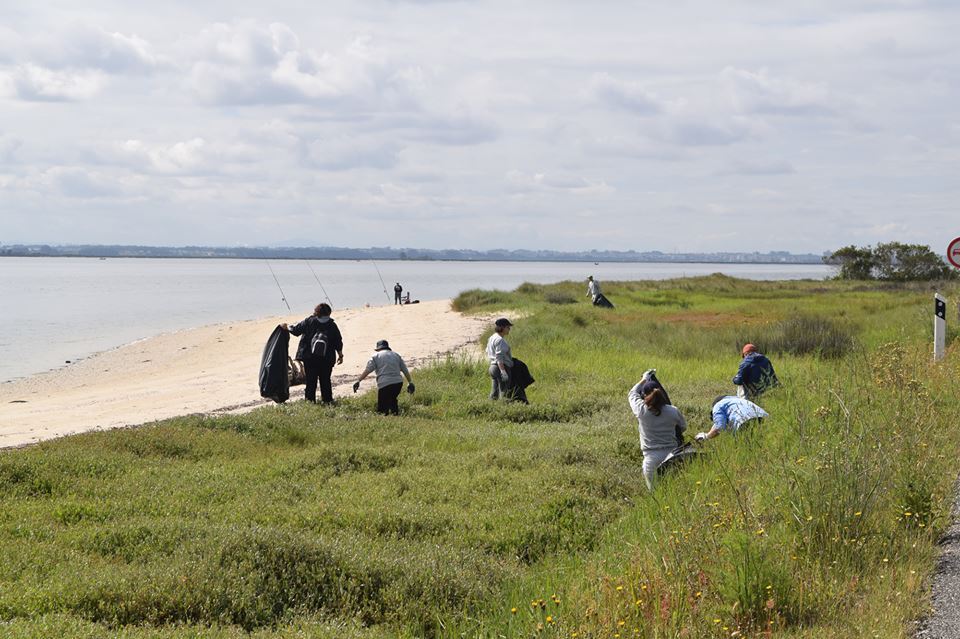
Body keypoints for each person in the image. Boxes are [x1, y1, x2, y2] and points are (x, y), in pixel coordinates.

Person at [628, 378, 687, 490]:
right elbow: (683, 427)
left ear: (644, 395)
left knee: (655, 493)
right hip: (672, 455)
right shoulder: (673, 410)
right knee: (675, 490)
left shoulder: (641, 410)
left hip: (651, 458)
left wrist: (643, 379)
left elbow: (632, 394)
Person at [282, 303, 343, 404]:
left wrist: (287, 327)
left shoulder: (309, 321)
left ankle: (310, 402)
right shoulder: (332, 325)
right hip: (327, 358)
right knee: (325, 381)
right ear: (329, 313)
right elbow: (338, 341)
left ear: (317, 312)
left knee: (311, 382)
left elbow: (296, 330)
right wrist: (340, 355)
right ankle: (327, 401)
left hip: (310, 358)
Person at [353, 340, 414, 415]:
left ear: (378, 349)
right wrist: (410, 382)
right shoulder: (396, 355)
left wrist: (358, 380)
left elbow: (368, 370)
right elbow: (405, 370)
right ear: (387, 348)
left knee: (382, 408)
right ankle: (395, 415)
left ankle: (385, 416)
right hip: (398, 383)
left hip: (384, 384)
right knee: (393, 400)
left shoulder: (375, 356)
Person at [486, 317, 527, 403]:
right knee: (504, 392)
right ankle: (503, 408)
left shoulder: (492, 338)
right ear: (502, 327)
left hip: (492, 367)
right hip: (501, 367)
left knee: (494, 393)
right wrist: (503, 371)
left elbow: (487, 351)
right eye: (508, 327)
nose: (509, 329)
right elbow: (499, 357)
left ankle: (490, 406)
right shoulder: (500, 340)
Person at [695, 395, 768, 443]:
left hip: (746, 422)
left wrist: (706, 436)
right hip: (766, 420)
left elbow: (719, 426)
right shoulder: (740, 400)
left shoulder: (718, 405)